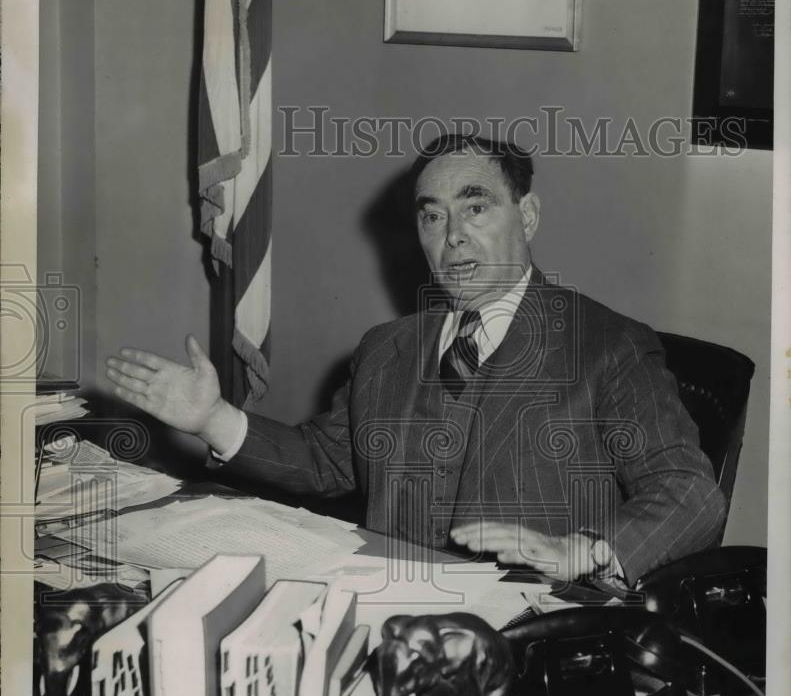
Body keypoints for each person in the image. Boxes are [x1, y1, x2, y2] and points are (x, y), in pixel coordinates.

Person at [105, 134, 725, 587]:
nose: (451, 233)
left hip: (537, 630)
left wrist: (586, 550)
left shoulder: (606, 344)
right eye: (432, 216)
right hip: (387, 610)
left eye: (476, 206)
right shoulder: (388, 348)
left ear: (527, 216)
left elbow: (690, 491)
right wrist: (214, 417)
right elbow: (328, 460)